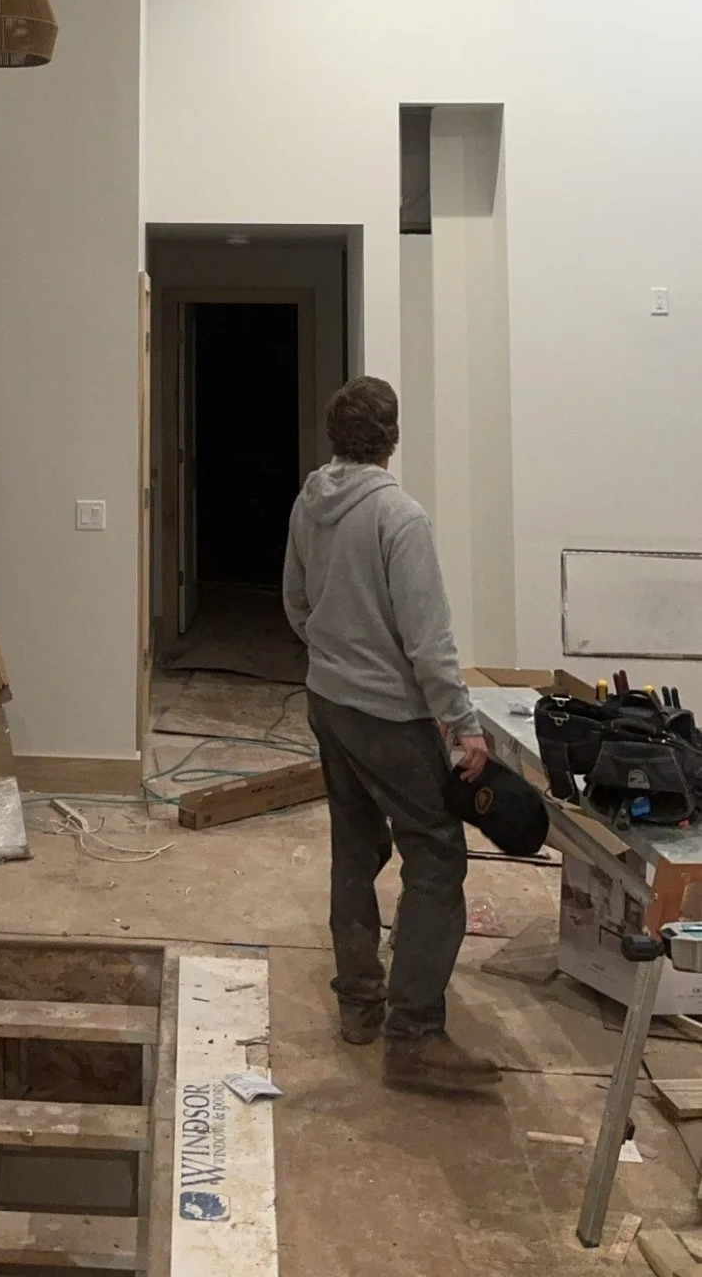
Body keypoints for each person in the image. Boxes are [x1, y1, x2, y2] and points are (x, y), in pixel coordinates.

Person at [283, 375, 500, 1095]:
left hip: (328, 701)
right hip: (387, 715)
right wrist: (464, 727)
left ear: (334, 433)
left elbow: (296, 602)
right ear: (393, 435)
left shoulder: (311, 502)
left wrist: (333, 659)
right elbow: (429, 640)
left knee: (355, 841)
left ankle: (358, 1002)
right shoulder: (399, 517)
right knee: (436, 853)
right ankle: (413, 1036)